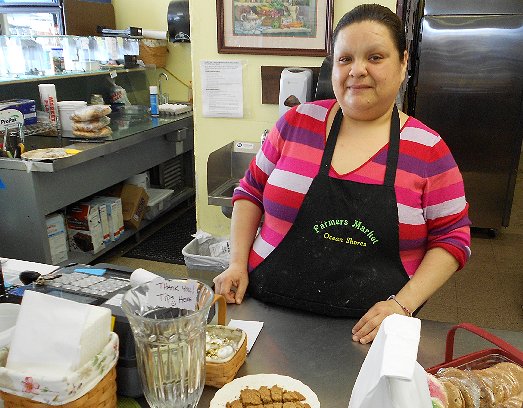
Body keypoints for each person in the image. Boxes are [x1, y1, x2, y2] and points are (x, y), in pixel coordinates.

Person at [213, 4, 471, 344]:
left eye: (375, 57)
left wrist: (403, 305)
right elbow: (250, 193)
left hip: (372, 331)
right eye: (345, 59)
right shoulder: (295, 124)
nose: (357, 70)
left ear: (403, 63)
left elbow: (453, 239)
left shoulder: (428, 149)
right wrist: (236, 263)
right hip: (265, 312)